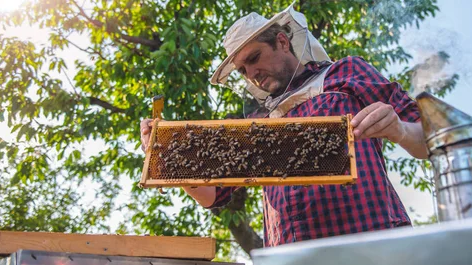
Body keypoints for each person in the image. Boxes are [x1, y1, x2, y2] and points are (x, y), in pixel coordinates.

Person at [140, 5, 428, 247]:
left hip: (371, 244)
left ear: (281, 40)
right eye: (242, 70)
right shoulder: (256, 123)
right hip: (290, 254)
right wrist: (165, 155)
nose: (251, 74)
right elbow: (212, 195)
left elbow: (431, 140)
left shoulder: (345, 73)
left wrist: (399, 130)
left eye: (254, 58)